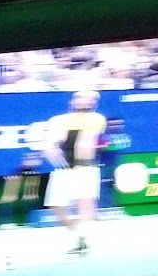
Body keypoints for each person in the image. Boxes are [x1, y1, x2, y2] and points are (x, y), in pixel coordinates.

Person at [41, 89, 109, 257]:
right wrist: (51, 150)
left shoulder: (97, 118)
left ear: (94, 103)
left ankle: (84, 237)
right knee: (55, 205)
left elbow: (84, 141)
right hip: (63, 170)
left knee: (85, 204)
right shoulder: (58, 120)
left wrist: (79, 163)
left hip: (86, 168)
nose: (83, 101)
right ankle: (78, 236)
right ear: (71, 101)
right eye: (79, 98)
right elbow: (52, 142)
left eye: (88, 99)